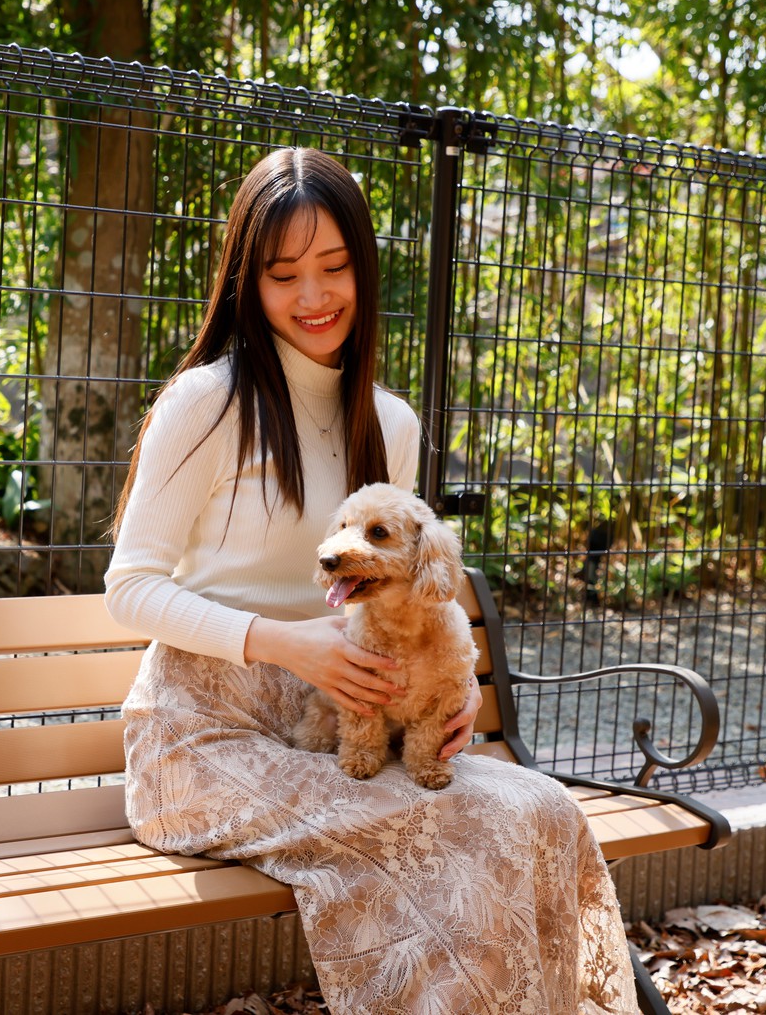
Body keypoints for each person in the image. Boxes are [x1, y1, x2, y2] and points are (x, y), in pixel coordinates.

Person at [105, 147, 637, 1014]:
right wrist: (286, 645)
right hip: (202, 737)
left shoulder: (387, 421)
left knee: (540, 809)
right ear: (250, 282)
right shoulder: (205, 403)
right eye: (284, 275)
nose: (313, 297)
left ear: (363, 266)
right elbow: (128, 587)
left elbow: (405, 590)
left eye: (334, 267)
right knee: (454, 828)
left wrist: (448, 698)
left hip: (354, 720)